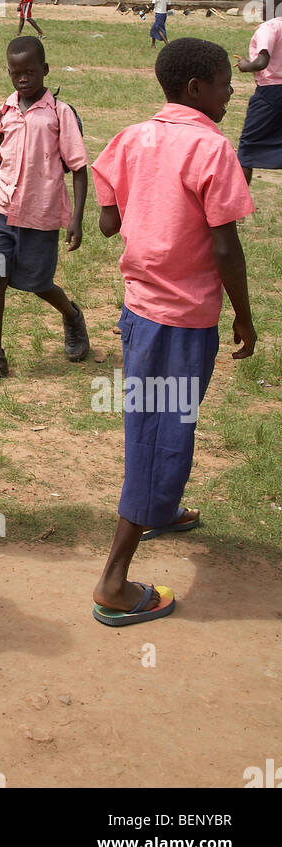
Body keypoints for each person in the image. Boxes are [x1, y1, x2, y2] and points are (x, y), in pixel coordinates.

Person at [90, 38, 256, 626]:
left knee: (157, 426)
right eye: (222, 81)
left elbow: (108, 216)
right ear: (196, 89)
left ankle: (160, 508)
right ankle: (113, 581)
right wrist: (244, 311)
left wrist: (129, 213)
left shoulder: (134, 136)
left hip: (140, 313)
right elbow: (223, 243)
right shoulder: (212, 149)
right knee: (161, 437)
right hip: (181, 321)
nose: (232, 90)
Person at [0, 37, 89, 384]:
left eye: (30, 71)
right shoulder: (3, 112)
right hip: (3, 212)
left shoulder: (59, 113)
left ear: (45, 70)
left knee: (37, 282)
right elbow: (0, 162)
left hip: (41, 215)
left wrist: (76, 218)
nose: (23, 78)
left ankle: (71, 314)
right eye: (15, 72)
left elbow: (78, 168)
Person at [235, 2, 282, 185]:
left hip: (270, 92)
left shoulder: (269, 27)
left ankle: (238, 206)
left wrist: (245, 65)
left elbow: (262, 62)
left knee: (247, 148)